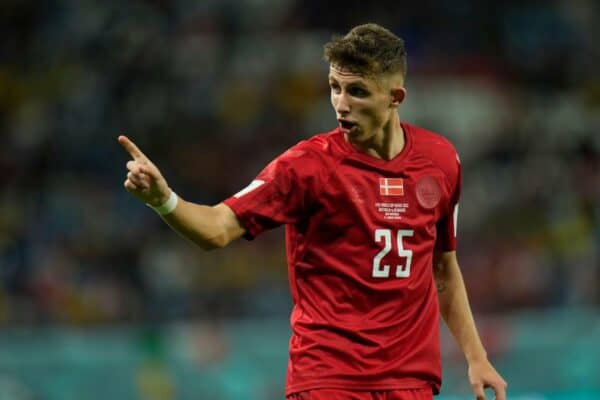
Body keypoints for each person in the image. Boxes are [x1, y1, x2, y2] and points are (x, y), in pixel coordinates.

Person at [118, 23, 507, 400]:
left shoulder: (440, 161)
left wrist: (476, 357)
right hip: (328, 379)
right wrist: (163, 199)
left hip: (411, 382)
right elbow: (217, 229)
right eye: (335, 88)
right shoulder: (306, 166)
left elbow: (443, 268)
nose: (341, 104)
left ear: (395, 98)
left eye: (357, 91)